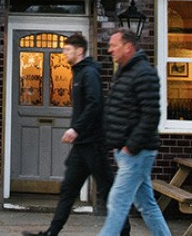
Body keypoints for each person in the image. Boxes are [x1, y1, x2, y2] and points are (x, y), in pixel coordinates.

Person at [22, 33, 129, 236]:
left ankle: (125, 233)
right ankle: (51, 233)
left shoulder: (88, 73)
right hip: (82, 147)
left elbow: (95, 104)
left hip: (94, 145)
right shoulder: (78, 73)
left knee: (108, 192)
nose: (64, 53)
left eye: (67, 50)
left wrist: (76, 128)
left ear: (79, 51)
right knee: (68, 191)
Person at [99, 28, 171, 236]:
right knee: (147, 205)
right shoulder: (125, 71)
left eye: (114, 45)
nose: (109, 49)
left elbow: (151, 115)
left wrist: (131, 146)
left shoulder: (144, 73)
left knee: (117, 203)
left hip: (137, 153)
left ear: (128, 47)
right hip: (127, 152)